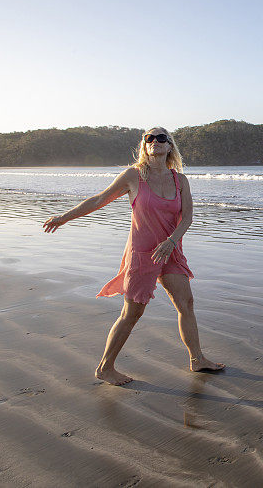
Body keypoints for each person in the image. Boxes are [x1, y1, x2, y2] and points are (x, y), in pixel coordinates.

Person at [42, 127, 225, 386]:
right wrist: (63, 218)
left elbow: (187, 218)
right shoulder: (133, 176)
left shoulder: (180, 180)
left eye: (161, 138)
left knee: (186, 304)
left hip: (171, 250)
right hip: (142, 254)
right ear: (144, 146)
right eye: (149, 138)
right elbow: (99, 200)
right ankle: (105, 368)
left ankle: (197, 359)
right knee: (132, 313)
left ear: (170, 146)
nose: (155, 141)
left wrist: (171, 241)